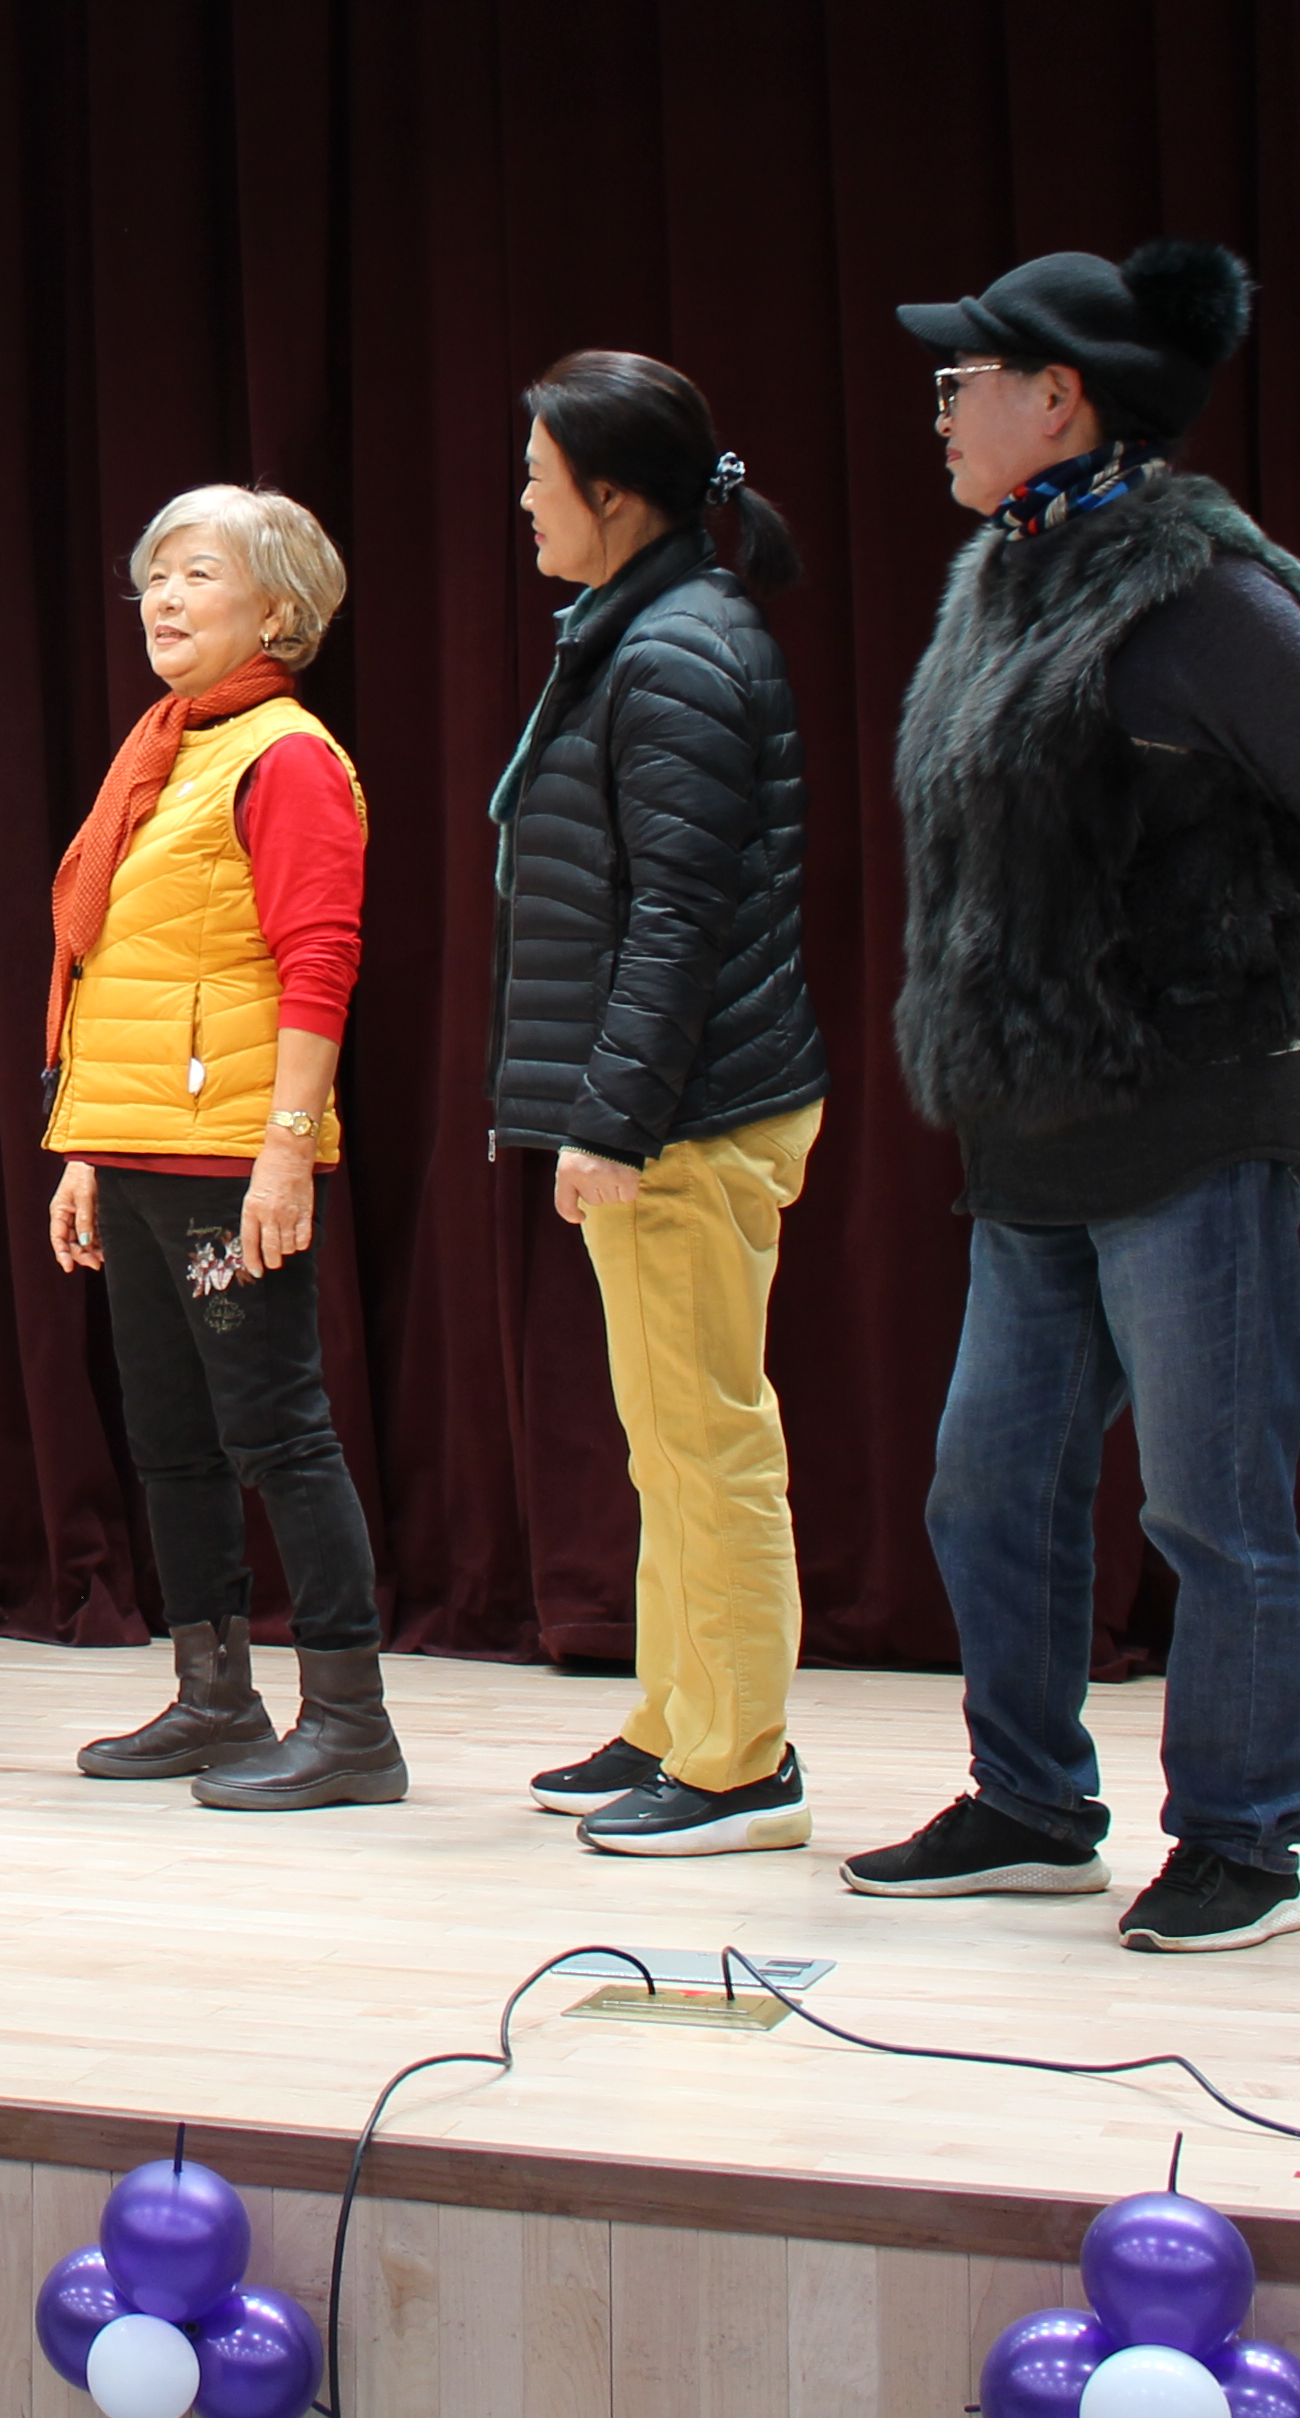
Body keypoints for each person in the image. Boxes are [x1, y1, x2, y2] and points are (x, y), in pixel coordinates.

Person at [849, 241, 1300, 1955]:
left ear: (1060, 397)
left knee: (1207, 1503)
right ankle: (1029, 1803)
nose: (942, 405)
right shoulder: (995, 581)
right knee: (984, 1482)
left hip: (1200, 1103)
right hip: (1036, 1122)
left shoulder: (1208, 599)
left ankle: (1241, 1839)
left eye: (963, 378)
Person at [487, 356, 831, 1855]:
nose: (523, 500)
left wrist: (613, 1117)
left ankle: (741, 1764)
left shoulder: (679, 648)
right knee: (667, 1441)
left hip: (694, 1111)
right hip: (674, 1101)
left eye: (540, 476)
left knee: (708, 1442)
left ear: (615, 495)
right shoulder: (646, 626)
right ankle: (677, 1718)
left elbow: (679, 917)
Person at [42, 488, 394, 1809]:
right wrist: (84, 1146)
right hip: (138, 1143)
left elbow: (321, 960)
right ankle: (214, 1697)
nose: (165, 598)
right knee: (170, 1441)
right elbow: (124, 968)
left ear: (278, 609)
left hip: (228, 1153)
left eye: (198, 574)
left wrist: (286, 1149)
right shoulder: (167, 747)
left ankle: (351, 1723)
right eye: (155, 576)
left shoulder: (285, 755)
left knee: (277, 1434)